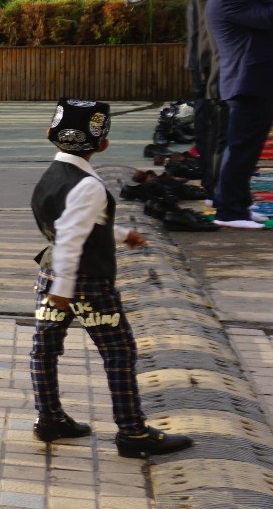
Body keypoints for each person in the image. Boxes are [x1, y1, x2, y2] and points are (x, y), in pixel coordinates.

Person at [28, 100, 191, 458]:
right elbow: (72, 234)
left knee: (45, 349)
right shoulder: (87, 184)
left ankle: (50, 418)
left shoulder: (51, 176)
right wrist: (65, 289)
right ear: (102, 144)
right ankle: (132, 432)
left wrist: (120, 235)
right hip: (82, 282)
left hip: (50, 272)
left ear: (49, 134)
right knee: (119, 351)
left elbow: (76, 226)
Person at [207, 0, 273, 229]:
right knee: (241, 149)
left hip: (256, 81)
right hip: (247, 82)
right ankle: (230, 211)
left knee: (249, 149)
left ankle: (240, 204)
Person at [192, 0, 261, 192]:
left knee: (224, 130)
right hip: (219, 60)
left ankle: (221, 189)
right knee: (222, 131)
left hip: (223, 59)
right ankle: (218, 190)